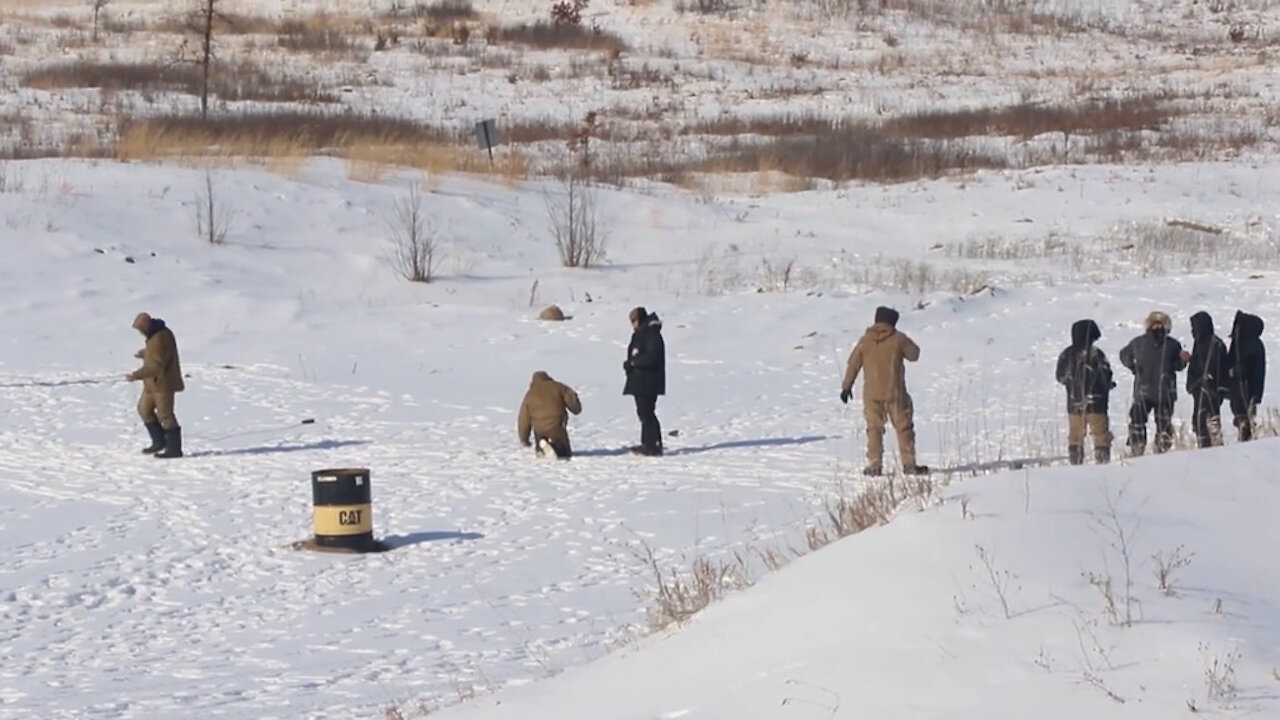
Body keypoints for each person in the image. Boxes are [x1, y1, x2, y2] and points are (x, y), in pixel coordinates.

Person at [840, 306, 927, 476]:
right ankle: (909, 464)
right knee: (903, 427)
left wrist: (846, 387)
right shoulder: (898, 339)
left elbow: (853, 364)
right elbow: (914, 355)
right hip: (895, 393)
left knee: (874, 429)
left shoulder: (865, 341)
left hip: (871, 394)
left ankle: (874, 465)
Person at [1118, 311, 1188, 456]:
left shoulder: (1141, 342)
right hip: (1162, 391)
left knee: (1143, 423)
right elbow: (1124, 356)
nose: (1157, 327)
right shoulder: (1171, 344)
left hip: (1149, 391)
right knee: (1159, 424)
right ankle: (1156, 450)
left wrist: (1133, 367)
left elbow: (1124, 355)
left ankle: (1141, 450)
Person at [1055, 319, 1116, 465]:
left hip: (1074, 404)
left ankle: (1076, 464)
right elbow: (1105, 376)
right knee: (1101, 436)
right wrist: (1107, 386)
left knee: (1075, 438)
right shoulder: (1097, 354)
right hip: (1097, 404)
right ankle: (1102, 465)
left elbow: (1060, 377)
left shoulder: (1066, 354)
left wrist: (1072, 386)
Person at [126, 312, 185, 459]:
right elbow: (155, 353)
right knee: (144, 409)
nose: (139, 333)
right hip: (151, 383)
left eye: (140, 329)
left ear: (146, 326)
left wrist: (136, 375)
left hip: (163, 383)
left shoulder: (160, 336)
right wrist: (145, 353)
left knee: (165, 415)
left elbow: (156, 365)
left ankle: (174, 449)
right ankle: (159, 442)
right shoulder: (154, 335)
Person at [623, 306, 666, 456]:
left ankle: (653, 445)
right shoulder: (643, 334)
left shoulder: (651, 334)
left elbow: (652, 357)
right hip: (640, 380)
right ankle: (647, 442)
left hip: (648, 381)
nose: (632, 324)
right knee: (643, 412)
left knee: (647, 412)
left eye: (633, 321)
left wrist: (634, 363)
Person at [517, 371, 583, 459]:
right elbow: (574, 405)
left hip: (539, 430)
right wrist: (576, 407)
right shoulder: (559, 387)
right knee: (565, 453)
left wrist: (524, 439)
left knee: (540, 441)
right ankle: (556, 448)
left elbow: (523, 420)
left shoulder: (530, 394)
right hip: (557, 427)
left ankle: (542, 447)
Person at [1186, 311, 1227, 448]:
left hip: (1210, 389)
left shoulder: (1215, 344)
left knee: (1207, 421)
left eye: (1194, 327)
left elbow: (1222, 368)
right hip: (1200, 389)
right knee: (1199, 422)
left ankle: (1210, 450)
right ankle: (1205, 448)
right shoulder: (1201, 343)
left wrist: (1219, 389)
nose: (1192, 331)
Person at [1225, 310, 1266, 441]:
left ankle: (1246, 438)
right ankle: (1244, 436)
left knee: (1244, 416)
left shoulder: (1252, 344)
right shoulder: (1239, 343)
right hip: (1239, 387)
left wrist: (1237, 371)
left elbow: (1254, 368)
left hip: (1246, 387)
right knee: (1241, 414)